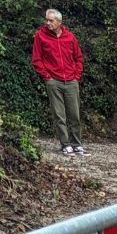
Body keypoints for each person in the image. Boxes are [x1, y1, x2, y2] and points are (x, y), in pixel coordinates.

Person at [31, 9, 85, 157]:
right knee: (59, 116)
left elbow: (78, 58)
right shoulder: (40, 36)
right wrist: (47, 77)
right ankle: (65, 145)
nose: (47, 23)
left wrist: (76, 76)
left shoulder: (70, 37)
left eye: (51, 20)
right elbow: (36, 59)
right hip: (53, 81)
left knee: (74, 115)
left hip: (71, 81)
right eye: (46, 20)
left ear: (59, 22)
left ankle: (77, 144)